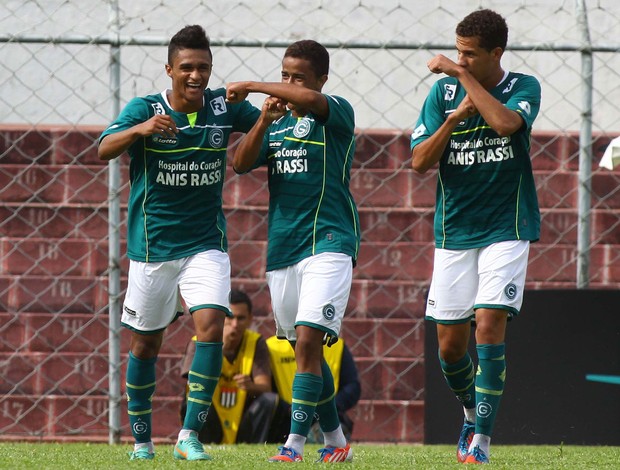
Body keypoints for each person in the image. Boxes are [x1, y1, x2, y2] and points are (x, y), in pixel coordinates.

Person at [98, 25, 260, 461]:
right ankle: (142, 441)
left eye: (203, 68)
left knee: (209, 325)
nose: (195, 76)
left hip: (206, 242)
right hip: (152, 248)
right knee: (144, 346)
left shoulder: (221, 107)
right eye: (186, 67)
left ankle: (189, 435)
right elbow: (103, 148)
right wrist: (141, 130)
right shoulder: (145, 108)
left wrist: (267, 107)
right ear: (169, 69)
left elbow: (266, 120)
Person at [410, 9, 541, 464]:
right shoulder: (441, 93)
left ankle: (481, 443)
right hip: (454, 231)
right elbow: (420, 162)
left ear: (495, 53)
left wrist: (462, 77)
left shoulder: (523, 86)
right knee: (450, 348)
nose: (460, 58)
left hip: (508, 226)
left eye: (470, 54)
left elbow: (506, 126)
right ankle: (471, 412)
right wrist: (453, 118)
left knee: (488, 324)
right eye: (458, 50)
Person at [226, 39, 360, 463]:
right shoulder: (278, 122)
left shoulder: (334, 112)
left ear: (321, 80)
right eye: (284, 75)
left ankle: (294, 445)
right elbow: (241, 163)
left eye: (297, 77)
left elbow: (307, 100)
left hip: (329, 242)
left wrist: (254, 84)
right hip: (284, 249)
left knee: (307, 342)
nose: (287, 85)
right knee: (307, 351)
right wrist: (263, 120)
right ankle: (336, 441)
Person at [179, 289, 277, 444]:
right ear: (220, 316)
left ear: (250, 319)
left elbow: (265, 387)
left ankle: (254, 446)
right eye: (229, 317)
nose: (235, 324)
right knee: (191, 399)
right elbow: (191, 384)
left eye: (241, 318)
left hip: (243, 419)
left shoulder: (256, 342)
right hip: (211, 415)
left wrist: (250, 386)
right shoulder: (199, 342)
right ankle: (197, 441)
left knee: (269, 400)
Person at [266, 336, 361, 443]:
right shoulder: (272, 346)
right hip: (286, 417)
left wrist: (328, 407)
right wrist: (288, 408)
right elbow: (267, 390)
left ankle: (334, 440)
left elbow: (352, 387)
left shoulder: (337, 345)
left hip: (327, 416)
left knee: (324, 429)